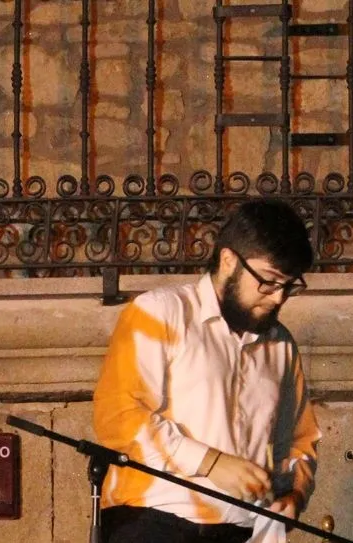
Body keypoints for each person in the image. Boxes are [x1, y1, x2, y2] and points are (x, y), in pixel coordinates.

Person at [92, 198, 321, 543]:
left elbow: (301, 441)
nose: (278, 298)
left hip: (245, 533)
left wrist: (294, 495)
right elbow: (118, 415)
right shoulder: (160, 313)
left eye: (289, 286)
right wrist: (210, 462)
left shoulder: (281, 344)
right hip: (153, 525)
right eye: (269, 282)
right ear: (229, 261)